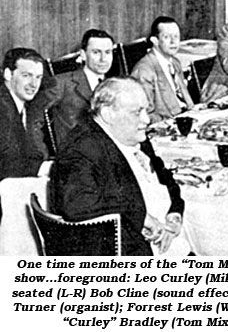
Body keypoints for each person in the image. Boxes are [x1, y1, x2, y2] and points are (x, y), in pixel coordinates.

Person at [49, 77, 188, 256]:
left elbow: (166, 177)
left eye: (146, 110)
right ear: (108, 114)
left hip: (162, 236)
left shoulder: (132, 134)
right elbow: (78, 204)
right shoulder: (80, 149)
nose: (146, 119)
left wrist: (175, 213)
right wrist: (141, 217)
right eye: (136, 112)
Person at [44, 29, 114, 148]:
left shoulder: (114, 85)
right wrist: (41, 156)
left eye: (108, 52)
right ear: (83, 54)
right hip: (74, 156)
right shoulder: (62, 83)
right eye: (96, 52)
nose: (103, 59)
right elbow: (34, 116)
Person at [131, 16, 194, 123]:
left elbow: (187, 101)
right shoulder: (144, 71)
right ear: (155, 41)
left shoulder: (175, 63)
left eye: (176, 36)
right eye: (167, 37)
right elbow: (146, 114)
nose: (173, 42)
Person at [0, 47, 48, 181]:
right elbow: (6, 162)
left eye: (38, 77)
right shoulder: (2, 109)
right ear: (8, 74)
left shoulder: (25, 107)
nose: (34, 84)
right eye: (26, 76)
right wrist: (44, 168)